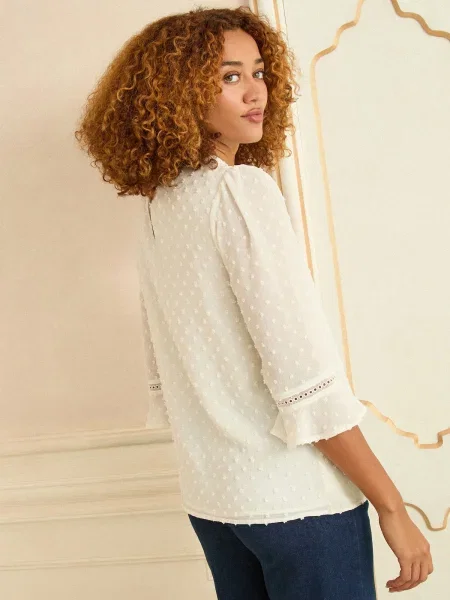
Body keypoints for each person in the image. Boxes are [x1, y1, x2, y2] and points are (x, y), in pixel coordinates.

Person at [74, 7, 433, 598]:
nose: (255, 92)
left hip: (217, 504)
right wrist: (391, 506)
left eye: (259, 72)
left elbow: (172, 370)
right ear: (180, 94)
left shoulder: (160, 207)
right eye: (229, 76)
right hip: (299, 505)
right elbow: (304, 381)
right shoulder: (240, 193)